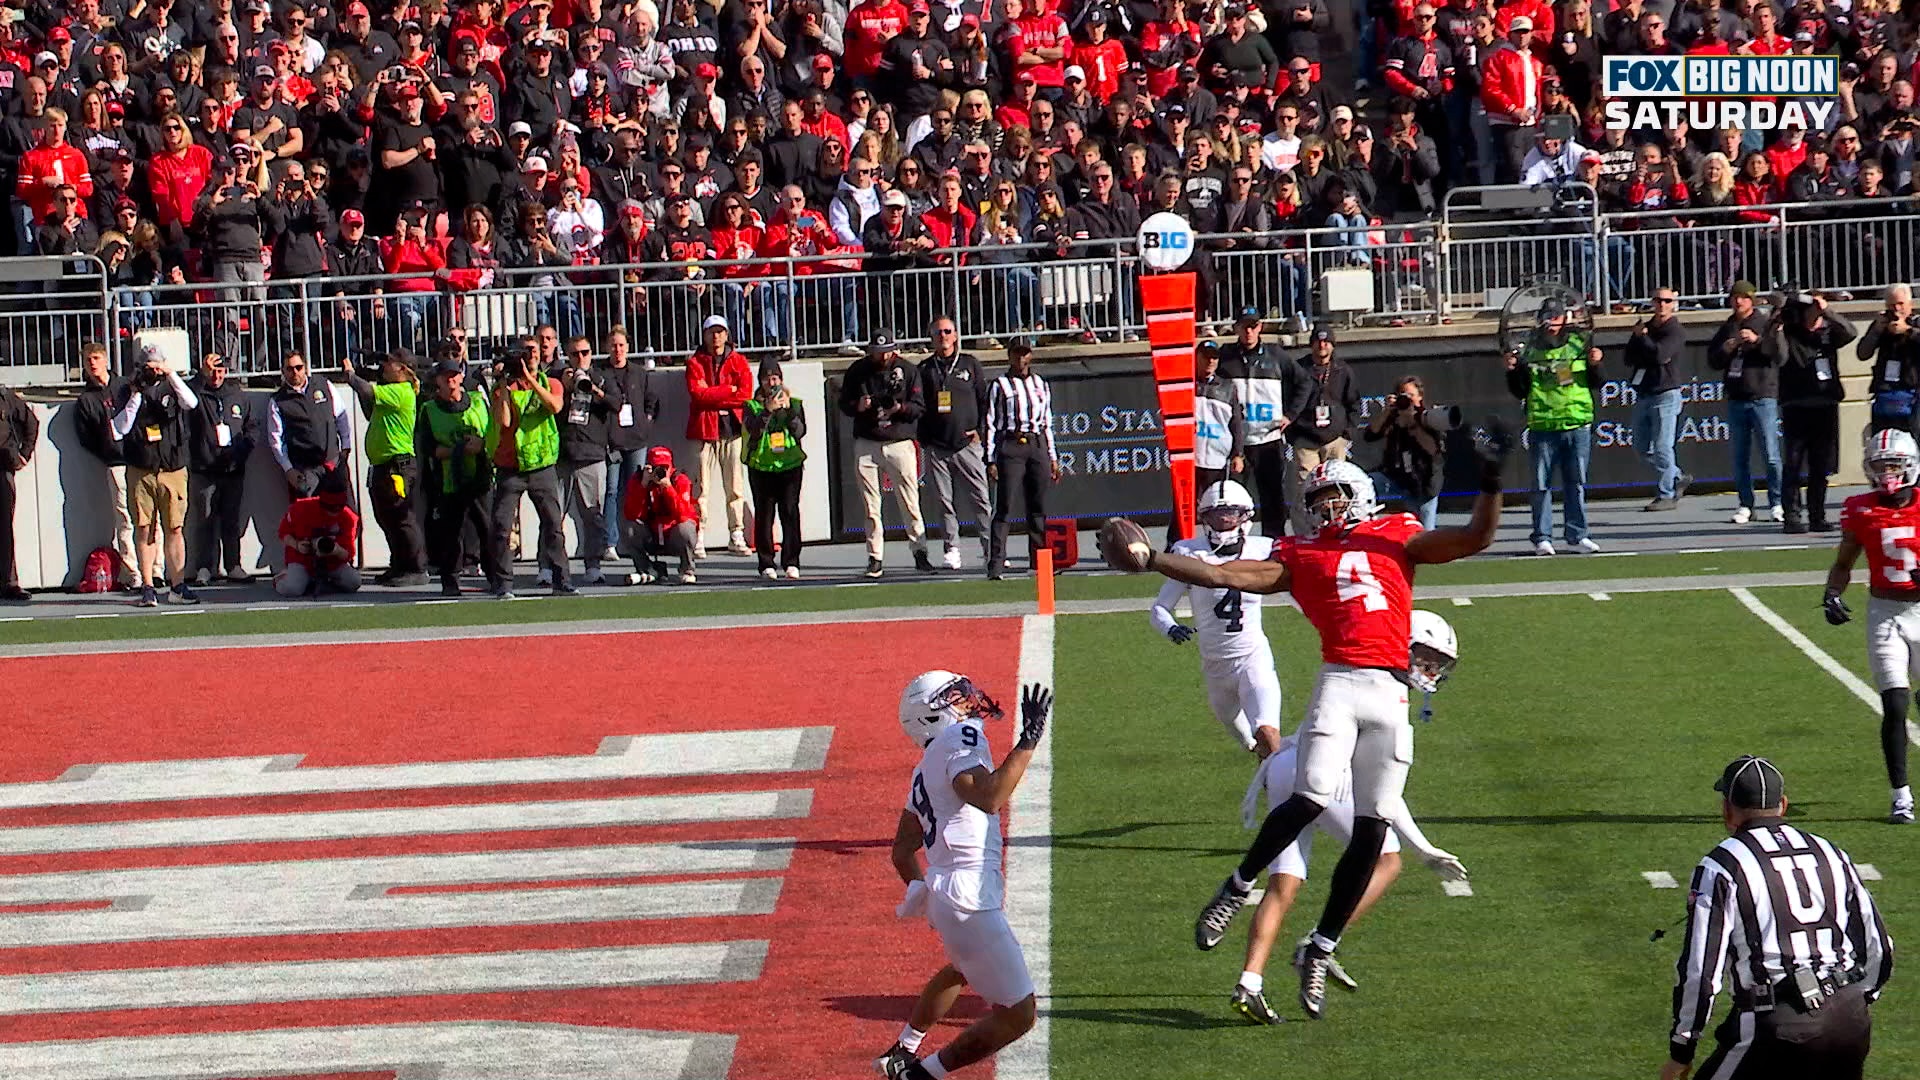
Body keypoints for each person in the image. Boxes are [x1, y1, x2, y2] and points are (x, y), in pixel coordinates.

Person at [1094, 423, 1508, 1020]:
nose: (1323, 509)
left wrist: (1491, 480)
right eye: (1315, 502)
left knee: (1373, 829)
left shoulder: (1398, 533)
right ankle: (1235, 887)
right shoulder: (1301, 553)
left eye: (1331, 498)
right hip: (1340, 680)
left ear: (1361, 496)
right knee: (1311, 797)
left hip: (1391, 694)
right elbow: (1223, 575)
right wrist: (1154, 559)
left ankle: (1321, 946)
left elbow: (1475, 538)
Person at [1229, 610, 1469, 1024]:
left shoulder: (1356, 671)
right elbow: (1383, 799)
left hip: (1287, 767)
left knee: (1283, 884)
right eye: (1426, 656)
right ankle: (1320, 946)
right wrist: (1425, 848)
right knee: (1385, 859)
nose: (1430, 670)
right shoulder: (1384, 690)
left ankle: (1249, 983)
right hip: (1327, 779)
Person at [1663, 756, 1891, 1080]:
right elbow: (1879, 946)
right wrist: (1856, 1000)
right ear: (1783, 804)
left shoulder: (1722, 865)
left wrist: (1681, 1049)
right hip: (1849, 1019)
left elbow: (1700, 971)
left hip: (1777, 1023)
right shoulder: (1832, 853)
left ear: (1727, 809)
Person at [874, 672, 1049, 1080]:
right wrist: (1027, 742)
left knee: (961, 967)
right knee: (1019, 1015)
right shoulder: (960, 738)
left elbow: (902, 850)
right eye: (954, 696)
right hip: (968, 894)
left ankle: (904, 1049)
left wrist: (924, 892)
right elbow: (989, 797)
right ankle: (922, 1074)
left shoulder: (925, 766)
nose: (968, 700)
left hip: (950, 891)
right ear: (930, 716)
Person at [1820, 428, 1920, 825]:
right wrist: (1831, 594)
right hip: (1884, 613)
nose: (1887, 473)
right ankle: (1901, 796)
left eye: (1893, 464)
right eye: (1880, 465)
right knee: (1895, 704)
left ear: (1910, 463)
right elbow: (1844, 562)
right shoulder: (1859, 508)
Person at [1148, 479, 1284, 755]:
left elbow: (1297, 586)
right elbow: (1159, 608)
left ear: (1245, 515)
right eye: (1216, 514)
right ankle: (1263, 764)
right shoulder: (1188, 552)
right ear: (1204, 517)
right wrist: (1170, 628)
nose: (1224, 519)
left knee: (1269, 735)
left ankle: (1282, 788)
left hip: (1252, 657)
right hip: (1215, 666)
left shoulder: (1263, 548)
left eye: (1231, 513)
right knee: (1249, 741)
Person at [1506, 301, 1601, 556]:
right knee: (1540, 485)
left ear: (1564, 319)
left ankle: (1577, 534)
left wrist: (1595, 364)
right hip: (1543, 423)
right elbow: (1519, 390)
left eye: (1556, 317)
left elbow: (1596, 382)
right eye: (1547, 317)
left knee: (1576, 482)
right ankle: (1542, 537)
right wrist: (1512, 371)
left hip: (1576, 420)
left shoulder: (1578, 344)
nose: (1551, 322)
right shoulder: (1529, 350)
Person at [840, 329, 932, 578]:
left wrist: (899, 408)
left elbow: (919, 407)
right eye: (878, 351)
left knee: (910, 499)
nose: (882, 356)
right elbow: (844, 403)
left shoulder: (908, 370)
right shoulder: (857, 370)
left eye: (887, 351)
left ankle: (919, 550)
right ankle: (875, 556)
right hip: (867, 440)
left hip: (898, 440)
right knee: (870, 504)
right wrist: (859, 406)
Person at [111, 356, 199, 608]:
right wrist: (137, 393)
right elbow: (120, 428)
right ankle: (148, 586)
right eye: (148, 367)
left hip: (172, 467)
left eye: (155, 367)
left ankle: (178, 586)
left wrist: (171, 373)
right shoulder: (126, 389)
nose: (153, 373)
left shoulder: (172, 384)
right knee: (144, 527)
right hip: (142, 468)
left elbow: (191, 402)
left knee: (174, 528)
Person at [486, 345, 571, 598]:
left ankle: (562, 580)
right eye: (525, 355)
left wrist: (531, 380)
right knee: (501, 526)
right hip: (510, 467)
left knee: (553, 525)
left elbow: (554, 406)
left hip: (541, 465)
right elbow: (504, 422)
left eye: (533, 354)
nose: (530, 359)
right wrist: (502, 385)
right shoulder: (505, 388)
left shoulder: (551, 382)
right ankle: (503, 585)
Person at [1774, 291, 1854, 534]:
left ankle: (1817, 516)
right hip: (1797, 405)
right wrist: (1776, 325)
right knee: (1794, 464)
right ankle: (1792, 516)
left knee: (1821, 466)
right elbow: (1780, 356)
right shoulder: (1790, 331)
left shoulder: (1829, 332)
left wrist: (1827, 311)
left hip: (1825, 404)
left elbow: (1850, 333)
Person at [346, 349, 427, 586]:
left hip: (397, 466)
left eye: (389, 363)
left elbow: (366, 390)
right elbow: (369, 408)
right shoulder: (390, 393)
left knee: (402, 518)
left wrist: (351, 375)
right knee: (386, 518)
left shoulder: (402, 391)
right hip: (383, 465)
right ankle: (400, 564)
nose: (384, 366)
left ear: (402, 369)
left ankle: (416, 568)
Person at [918, 316, 992, 572]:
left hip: (967, 444)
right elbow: (920, 406)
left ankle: (991, 548)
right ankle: (951, 548)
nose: (943, 336)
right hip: (937, 446)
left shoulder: (970, 364)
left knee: (981, 498)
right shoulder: (926, 368)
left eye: (947, 331)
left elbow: (984, 400)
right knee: (943, 502)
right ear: (931, 337)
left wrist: (980, 431)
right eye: (938, 333)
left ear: (956, 335)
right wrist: (925, 439)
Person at [416, 358, 494, 598]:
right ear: (437, 380)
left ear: (461, 377)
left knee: (488, 529)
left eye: (454, 374)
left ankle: (497, 577)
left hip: (480, 476)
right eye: (445, 376)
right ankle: (450, 581)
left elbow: (493, 435)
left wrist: (480, 446)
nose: (450, 379)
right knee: (451, 533)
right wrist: (458, 450)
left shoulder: (479, 402)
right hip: (448, 479)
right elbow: (430, 449)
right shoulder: (429, 410)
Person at [1708, 281, 1783, 525]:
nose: (1738, 302)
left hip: (1762, 396)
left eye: (1743, 298)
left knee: (1770, 455)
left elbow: (1778, 354)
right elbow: (1713, 360)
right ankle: (1745, 504)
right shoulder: (1728, 326)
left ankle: (1777, 502)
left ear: (1752, 300)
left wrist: (1756, 340)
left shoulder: (1765, 323)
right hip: (1737, 398)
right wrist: (1727, 348)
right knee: (1740, 457)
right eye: (1734, 298)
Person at [1217, 311, 1298, 536]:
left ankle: (1275, 543)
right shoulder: (1226, 356)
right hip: (1237, 444)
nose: (1249, 331)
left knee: (1272, 497)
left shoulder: (1276, 355)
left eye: (1253, 326)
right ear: (1236, 329)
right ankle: (1233, 542)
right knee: (1234, 498)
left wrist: (1290, 415)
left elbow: (1304, 383)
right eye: (1244, 326)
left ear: (1260, 327)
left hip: (1268, 440)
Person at [985, 342, 1058, 581]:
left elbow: (1047, 421)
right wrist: (991, 458)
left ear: (1031, 356)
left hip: (1036, 444)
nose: (1021, 360)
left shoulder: (1041, 384)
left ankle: (1039, 562)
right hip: (1012, 443)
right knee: (1005, 505)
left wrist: (1052, 456)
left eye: (1025, 355)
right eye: (1016, 355)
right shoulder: (1000, 385)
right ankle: (996, 563)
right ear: (1009, 357)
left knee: (1038, 506)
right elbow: (990, 422)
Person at [685, 314, 754, 556]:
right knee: (700, 487)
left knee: (735, 485)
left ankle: (736, 534)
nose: (716, 337)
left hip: (732, 431)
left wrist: (712, 393)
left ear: (727, 334)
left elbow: (745, 395)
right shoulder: (694, 363)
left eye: (720, 331)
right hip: (705, 431)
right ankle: (699, 535)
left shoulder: (739, 361)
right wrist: (727, 390)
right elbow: (697, 395)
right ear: (703, 335)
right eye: (711, 332)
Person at [186, 351, 256, 585]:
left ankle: (233, 565)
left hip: (233, 470)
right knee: (205, 520)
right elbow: (185, 394)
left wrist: (241, 452)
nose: (216, 375)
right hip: (205, 469)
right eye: (212, 371)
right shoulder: (197, 393)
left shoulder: (237, 395)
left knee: (231, 519)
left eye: (220, 371)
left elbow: (251, 428)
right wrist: (200, 375)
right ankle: (205, 567)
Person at [72, 341, 138, 588]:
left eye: (97, 358)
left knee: (148, 518)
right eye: (88, 360)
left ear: (106, 360)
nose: (93, 363)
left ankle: (157, 569)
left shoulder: (124, 387)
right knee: (124, 519)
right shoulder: (86, 400)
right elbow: (86, 437)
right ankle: (134, 574)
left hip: (140, 460)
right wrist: (107, 450)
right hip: (115, 462)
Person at [1285, 323, 1359, 538]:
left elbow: (1353, 402)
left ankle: (1338, 530)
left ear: (1333, 345)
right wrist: (1293, 434)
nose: (1322, 345)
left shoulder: (1342, 370)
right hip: (1306, 439)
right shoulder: (1299, 369)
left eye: (1326, 341)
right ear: (1311, 344)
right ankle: (1304, 534)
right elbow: (1287, 400)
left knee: (1337, 489)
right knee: (1302, 491)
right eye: (1318, 341)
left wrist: (1347, 433)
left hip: (1334, 439)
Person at [1624, 286, 1691, 511]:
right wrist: (1638, 337)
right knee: (1641, 448)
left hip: (1666, 393)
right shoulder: (1647, 327)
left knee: (1663, 446)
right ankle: (1677, 476)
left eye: (1667, 301)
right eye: (1658, 300)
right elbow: (1629, 357)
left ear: (1673, 304)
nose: (1662, 305)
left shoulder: (1676, 330)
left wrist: (1643, 339)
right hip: (1644, 392)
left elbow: (1660, 354)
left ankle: (1666, 494)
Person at [555, 336, 613, 585]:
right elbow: (551, 410)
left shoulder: (601, 377)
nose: (581, 358)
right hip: (564, 455)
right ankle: (549, 567)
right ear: (567, 356)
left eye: (585, 352)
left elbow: (616, 404)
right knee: (553, 515)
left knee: (593, 515)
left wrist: (594, 389)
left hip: (592, 454)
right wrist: (566, 388)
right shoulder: (558, 379)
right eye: (575, 354)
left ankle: (593, 565)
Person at [743, 358, 807, 581]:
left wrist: (788, 412)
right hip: (762, 467)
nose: (772, 383)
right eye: (767, 379)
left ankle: (791, 561)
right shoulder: (752, 406)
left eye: (775, 378)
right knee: (764, 515)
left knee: (790, 512)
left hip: (790, 466)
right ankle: (766, 562)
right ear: (760, 382)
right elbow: (753, 430)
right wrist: (768, 410)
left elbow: (800, 432)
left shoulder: (795, 403)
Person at [601, 327, 660, 572]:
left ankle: (636, 540)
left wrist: (646, 421)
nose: (617, 350)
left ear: (628, 347)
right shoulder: (600, 373)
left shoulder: (638, 373)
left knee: (637, 490)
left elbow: (652, 400)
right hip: (613, 441)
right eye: (613, 345)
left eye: (622, 345)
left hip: (636, 440)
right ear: (607, 347)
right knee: (612, 491)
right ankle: (610, 542)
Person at [1362, 375, 1443, 529]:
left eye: (1410, 396)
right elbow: (1370, 435)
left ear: (1420, 396)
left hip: (1423, 481)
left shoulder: (1429, 417)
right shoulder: (1393, 415)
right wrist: (1387, 411)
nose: (1407, 400)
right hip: (1395, 476)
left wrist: (1412, 423)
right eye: (1403, 396)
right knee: (1364, 484)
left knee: (1424, 531)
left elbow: (1433, 450)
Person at [268, 351, 351, 498]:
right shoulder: (278, 401)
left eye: (298, 367)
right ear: (283, 372)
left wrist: (345, 448)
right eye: (290, 369)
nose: (295, 372)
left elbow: (341, 417)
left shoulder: (323, 385)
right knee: (310, 518)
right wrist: (289, 470)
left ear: (305, 367)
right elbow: (276, 441)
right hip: (305, 471)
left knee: (348, 515)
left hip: (333, 464)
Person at [274, 469, 362, 597]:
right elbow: (283, 533)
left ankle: (319, 583)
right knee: (292, 589)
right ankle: (282, 578)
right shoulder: (300, 508)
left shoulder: (349, 518)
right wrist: (297, 545)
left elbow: (348, 554)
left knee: (354, 582)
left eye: (339, 507)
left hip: (333, 562)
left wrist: (336, 550)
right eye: (330, 508)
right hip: (302, 559)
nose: (334, 512)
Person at [623, 445, 701, 585]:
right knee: (630, 528)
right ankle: (646, 568)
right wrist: (643, 485)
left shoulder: (680, 480)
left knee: (686, 529)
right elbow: (631, 514)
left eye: (664, 468)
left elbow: (682, 515)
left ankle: (687, 569)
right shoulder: (639, 480)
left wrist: (668, 488)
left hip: (672, 534)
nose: (660, 472)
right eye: (656, 468)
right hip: (652, 533)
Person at [1859, 283, 1918, 437]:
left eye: (1900, 304)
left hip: (1912, 397)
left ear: (1910, 305)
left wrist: (1907, 331)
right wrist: (1877, 330)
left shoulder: (1916, 324)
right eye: (1892, 305)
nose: (1897, 309)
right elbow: (1862, 353)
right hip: (1885, 397)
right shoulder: (1881, 325)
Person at [0, 383, 37, 602]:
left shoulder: (6, 397)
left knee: (4, 528)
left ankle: (9, 583)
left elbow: (31, 422)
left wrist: (24, 454)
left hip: (2, 467)